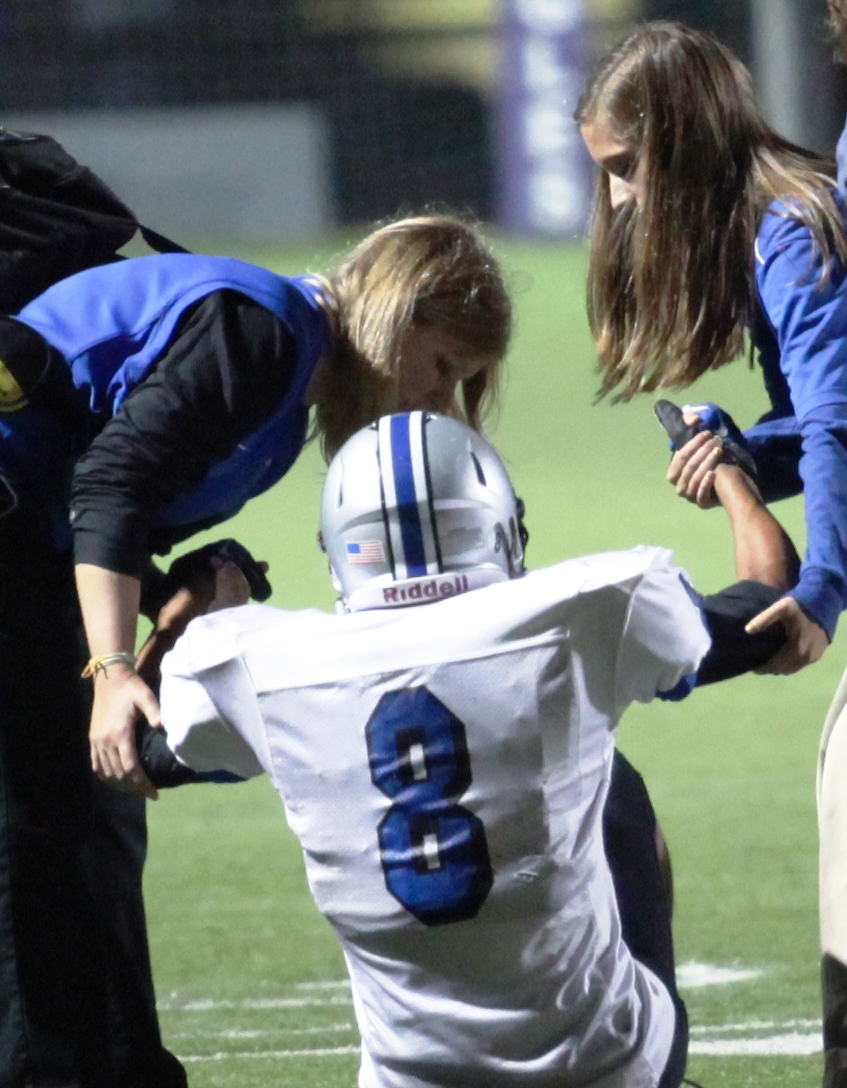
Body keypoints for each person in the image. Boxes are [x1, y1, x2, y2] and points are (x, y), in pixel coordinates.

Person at [0, 217, 510, 1087]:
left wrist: (182, 588)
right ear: (401, 313)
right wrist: (113, 670)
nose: (439, 403)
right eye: (442, 369)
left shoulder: (289, 375)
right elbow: (109, 485)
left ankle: (115, 1068)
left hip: (26, 542)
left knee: (94, 814)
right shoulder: (260, 328)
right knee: (38, 825)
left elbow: (104, 511)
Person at [148, 409, 795, 1088]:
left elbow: (130, 746)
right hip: (603, 1064)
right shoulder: (589, 606)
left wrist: (178, 622)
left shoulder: (255, 658)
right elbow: (768, 609)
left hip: (409, 1077)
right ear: (498, 526)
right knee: (612, 787)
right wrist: (729, 476)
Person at [574, 21, 847, 1085]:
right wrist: (745, 450)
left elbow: (834, 422)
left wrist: (820, 587)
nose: (618, 201)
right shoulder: (800, 201)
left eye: (624, 169)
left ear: (678, 142)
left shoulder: (786, 227)